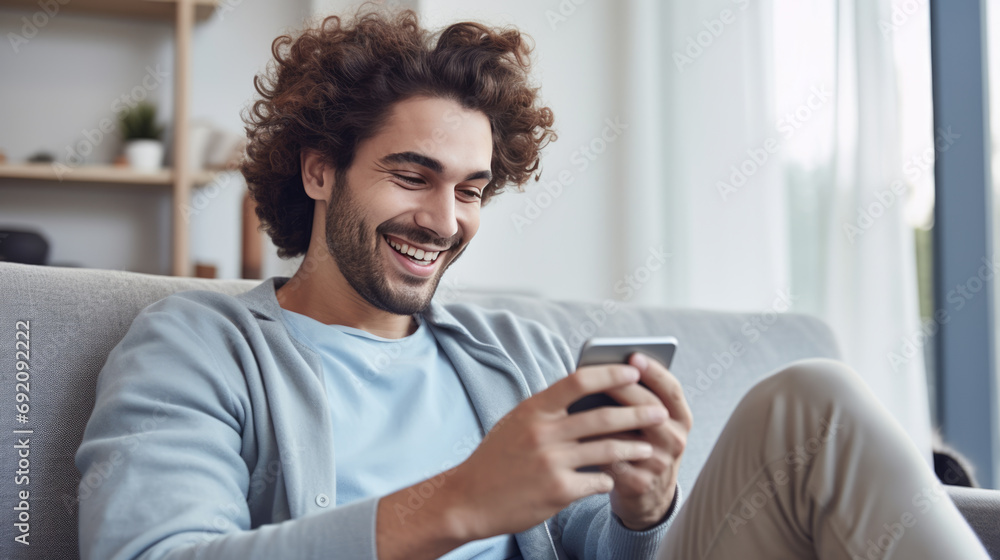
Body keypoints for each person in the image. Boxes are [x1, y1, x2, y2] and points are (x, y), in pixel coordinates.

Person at [75, 8, 989, 560]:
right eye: (411, 174)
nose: (444, 219)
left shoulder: (513, 353)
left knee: (812, 402)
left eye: (471, 190)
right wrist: (466, 498)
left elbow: (601, 549)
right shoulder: (196, 346)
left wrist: (643, 509)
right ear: (319, 171)